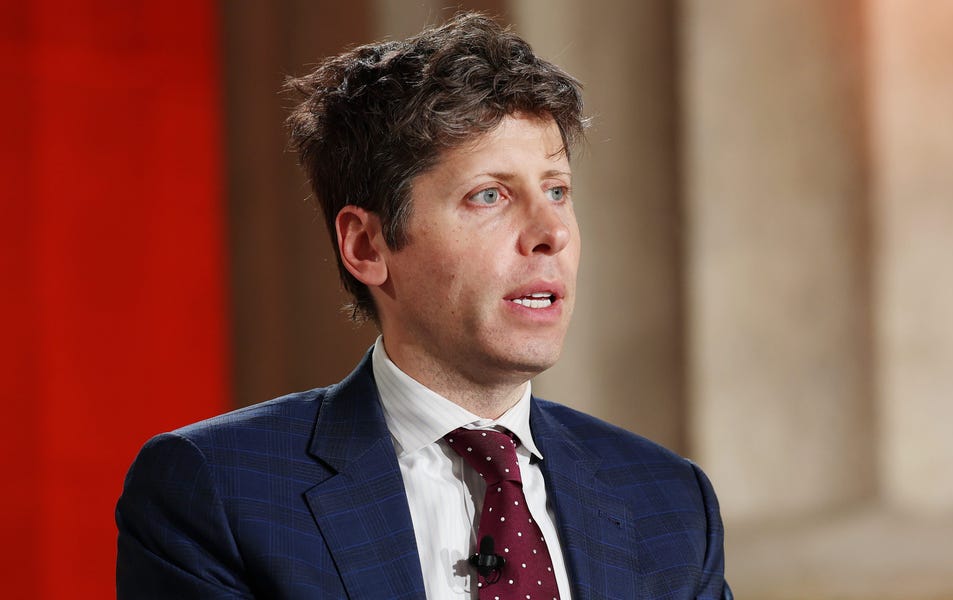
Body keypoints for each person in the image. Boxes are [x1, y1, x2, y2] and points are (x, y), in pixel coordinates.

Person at [116, 12, 731, 600]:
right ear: (367, 245)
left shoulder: (670, 501)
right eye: (489, 195)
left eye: (557, 191)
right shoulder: (220, 489)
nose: (552, 233)